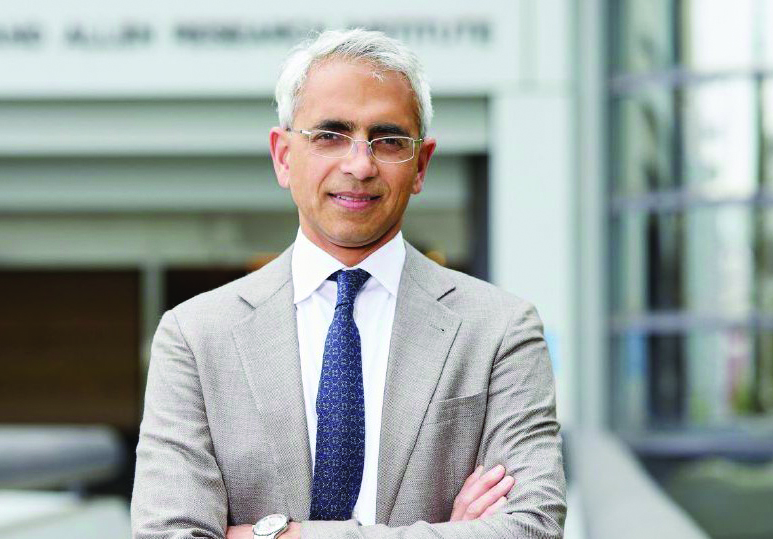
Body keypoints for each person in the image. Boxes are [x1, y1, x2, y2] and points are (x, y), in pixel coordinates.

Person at [131, 28, 566, 539]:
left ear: (420, 164)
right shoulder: (194, 336)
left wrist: (274, 534)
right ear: (283, 156)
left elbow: (533, 528)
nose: (359, 165)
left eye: (388, 140)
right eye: (330, 135)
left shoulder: (500, 330)